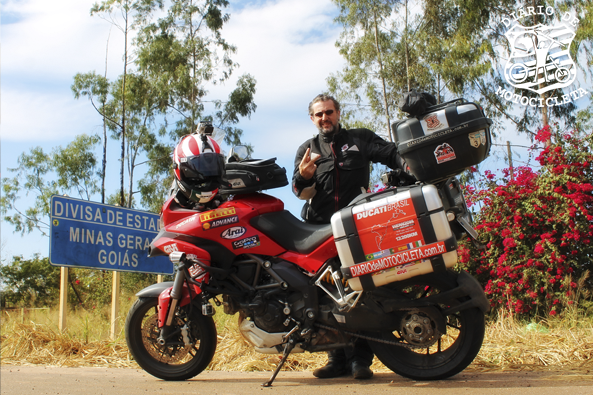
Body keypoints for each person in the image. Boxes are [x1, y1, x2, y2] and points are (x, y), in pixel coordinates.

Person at [292, 94, 406, 380]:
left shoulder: (360, 138)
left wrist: (409, 164)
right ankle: (336, 359)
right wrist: (304, 176)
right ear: (312, 118)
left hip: (357, 228)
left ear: (338, 113)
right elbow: (298, 189)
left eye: (328, 112)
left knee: (361, 291)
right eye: (318, 114)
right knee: (324, 294)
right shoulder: (307, 149)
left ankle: (360, 361)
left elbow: (392, 154)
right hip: (319, 231)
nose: (324, 118)